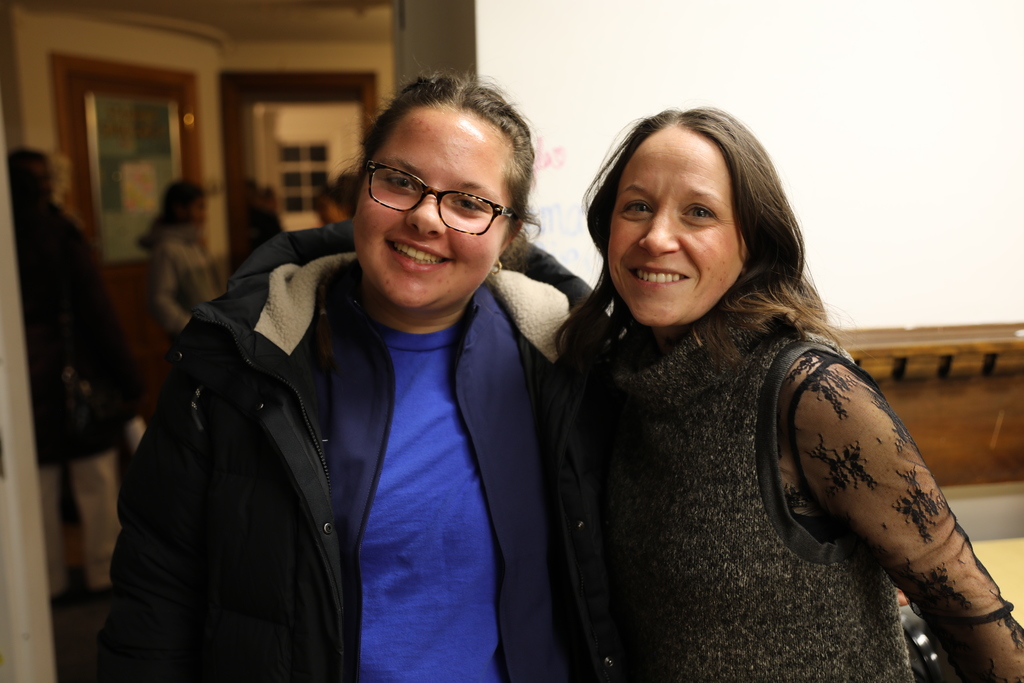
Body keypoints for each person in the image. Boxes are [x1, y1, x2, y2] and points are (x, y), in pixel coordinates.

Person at [98, 74, 624, 682]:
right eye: (401, 181)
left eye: (469, 203)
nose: (427, 217)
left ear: (508, 235)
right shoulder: (234, 365)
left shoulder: (569, 359)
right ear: (360, 186)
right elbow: (154, 601)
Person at [558, 108, 1024, 681]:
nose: (656, 238)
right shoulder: (623, 378)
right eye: (637, 207)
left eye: (698, 213)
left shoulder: (809, 391)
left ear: (752, 244)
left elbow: (964, 603)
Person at [9, 150, 144, 598]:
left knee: (35, 486)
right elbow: (97, 312)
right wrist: (129, 379)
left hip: (17, 377)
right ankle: (101, 570)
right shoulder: (61, 234)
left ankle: (43, 579)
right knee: (96, 479)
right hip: (75, 370)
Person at [138, 181, 223, 339]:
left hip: (213, 335)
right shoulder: (167, 249)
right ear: (179, 210)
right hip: (196, 341)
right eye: (199, 207)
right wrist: (191, 329)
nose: (204, 215)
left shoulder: (195, 245)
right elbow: (159, 301)